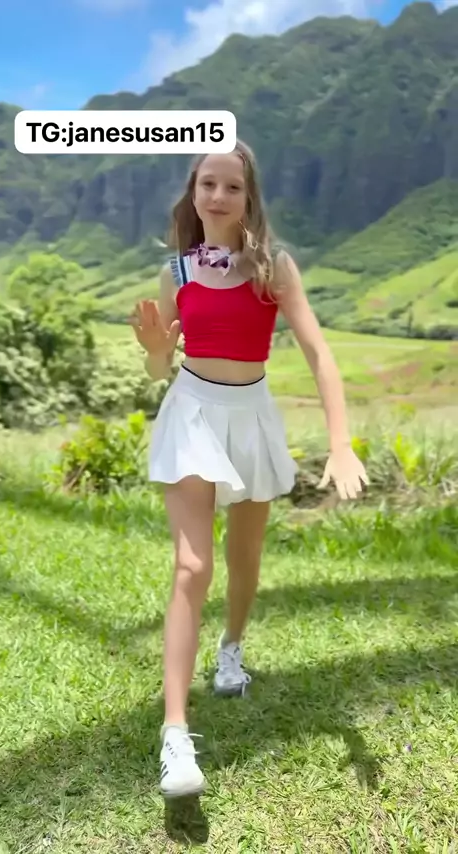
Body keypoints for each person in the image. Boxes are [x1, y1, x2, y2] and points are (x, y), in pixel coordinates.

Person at [129, 138, 369, 799]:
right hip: (192, 412)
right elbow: (158, 369)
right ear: (193, 191)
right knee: (192, 567)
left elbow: (319, 354)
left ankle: (231, 647)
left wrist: (341, 442)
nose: (218, 196)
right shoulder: (176, 271)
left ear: (248, 196)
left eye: (232, 186)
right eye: (207, 183)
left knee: (245, 559)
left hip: (253, 414)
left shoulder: (273, 267)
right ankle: (175, 736)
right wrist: (155, 350)